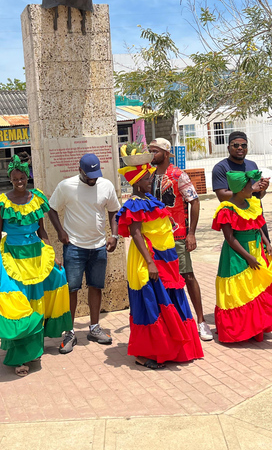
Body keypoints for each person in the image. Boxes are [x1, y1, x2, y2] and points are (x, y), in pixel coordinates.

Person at [0, 155, 72, 376]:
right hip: (12, 257)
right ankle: (19, 356)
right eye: (15, 179)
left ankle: (33, 349)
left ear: (27, 177)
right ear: (10, 180)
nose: (19, 182)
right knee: (17, 305)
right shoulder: (2, 203)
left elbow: (41, 230)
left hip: (35, 257)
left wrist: (52, 255)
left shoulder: (37, 199)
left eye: (23, 178)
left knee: (39, 299)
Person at [116, 160, 203, 369]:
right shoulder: (134, 203)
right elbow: (136, 234)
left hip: (166, 259)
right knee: (150, 304)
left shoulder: (150, 199)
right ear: (137, 183)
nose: (150, 180)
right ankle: (143, 354)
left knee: (168, 301)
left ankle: (168, 348)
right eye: (147, 178)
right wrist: (149, 262)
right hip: (150, 260)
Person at [212, 170, 272, 343]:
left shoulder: (251, 203)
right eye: (251, 185)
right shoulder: (226, 209)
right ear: (241, 189)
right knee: (240, 290)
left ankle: (256, 326)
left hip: (256, 250)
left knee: (255, 287)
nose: (254, 187)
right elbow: (230, 238)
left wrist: (267, 243)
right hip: (237, 254)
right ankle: (238, 329)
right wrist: (248, 257)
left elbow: (257, 227)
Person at [47, 153, 121, 353]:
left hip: (98, 247)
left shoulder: (105, 185)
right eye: (89, 175)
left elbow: (114, 210)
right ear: (80, 170)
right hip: (74, 247)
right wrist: (60, 232)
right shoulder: (66, 186)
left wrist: (114, 235)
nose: (93, 179)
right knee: (72, 289)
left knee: (96, 286)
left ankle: (94, 327)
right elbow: (51, 208)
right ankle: (69, 332)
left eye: (95, 175)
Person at [148, 138, 212, 342]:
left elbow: (194, 201)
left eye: (155, 151)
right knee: (163, 280)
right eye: (150, 151)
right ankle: (173, 322)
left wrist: (191, 233)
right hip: (157, 236)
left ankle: (201, 321)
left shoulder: (178, 175)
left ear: (166, 154)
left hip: (177, 235)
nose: (151, 155)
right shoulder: (149, 176)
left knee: (187, 275)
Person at [212, 131, 271, 240]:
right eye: (236, 145)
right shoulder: (221, 168)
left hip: (257, 219)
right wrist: (252, 189)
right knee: (243, 255)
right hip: (238, 223)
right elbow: (222, 196)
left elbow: (258, 195)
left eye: (243, 145)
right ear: (228, 148)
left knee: (265, 253)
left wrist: (263, 188)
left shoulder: (252, 165)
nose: (240, 148)